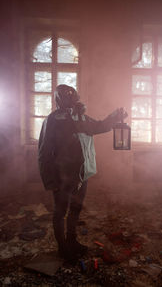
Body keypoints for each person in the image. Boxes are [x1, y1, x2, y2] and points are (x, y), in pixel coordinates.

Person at [38, 84, 127, 262]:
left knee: (76, 209)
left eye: (72, 96)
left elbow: (99, 126)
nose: (70, 99)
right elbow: (44, 152)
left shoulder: (80, 118)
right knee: (60, 212)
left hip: (81, 174)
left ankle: (72, 241)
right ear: (58, 99)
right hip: (62, 176)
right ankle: (63, 248)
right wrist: (50, 181)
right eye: (66, 96)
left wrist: (114, 117)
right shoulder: (52, 120)